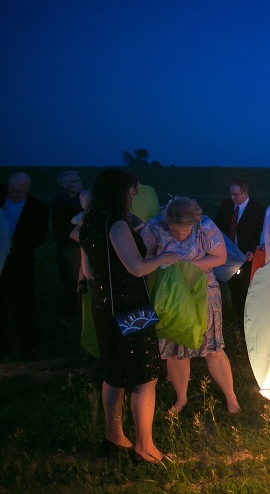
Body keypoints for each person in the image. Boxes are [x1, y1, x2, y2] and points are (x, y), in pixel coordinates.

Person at [79, 168, 179, 463]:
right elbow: (136, 268)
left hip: (103, 304)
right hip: (131, 307)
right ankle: (144, 447)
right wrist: (162, 258)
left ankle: (114, 437)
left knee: (113, 371)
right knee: (145, 375)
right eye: (132, 190)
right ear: (120, 191)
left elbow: (89, 271)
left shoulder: (88, 223)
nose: (134, 195)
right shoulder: (116, 224)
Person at [142, 196, 240, 415]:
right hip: (170, 296)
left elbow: (220, 256)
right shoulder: (155, 227)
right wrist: (160, 263)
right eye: (174, 230)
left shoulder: (205, 226)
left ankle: (231, 397)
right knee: (177, 349)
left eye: (184, 231)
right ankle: (181, 398)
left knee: (213, 348)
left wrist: (186, 266)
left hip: (202, 293)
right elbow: (145, 256)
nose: (179, 235)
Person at [0, 172, 49, 359]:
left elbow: (40, 237)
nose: (13, 193)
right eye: (11, 189)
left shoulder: (38, 208)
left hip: (20, 262)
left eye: (18, 191)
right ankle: (3, 344)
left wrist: (15, 243)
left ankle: (29, 346)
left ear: (27, 190)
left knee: (23, 303)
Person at [213, 179, 265, 323]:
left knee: (245, 289)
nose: (232, 197)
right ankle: (237, 316)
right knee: (233, 287)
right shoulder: (226, 205)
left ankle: (248, 319)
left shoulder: (257, 209)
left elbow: (259, 233)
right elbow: (216, 225)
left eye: (236, 194)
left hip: (246, 256)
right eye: (231, 194)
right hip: (229, 254)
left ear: (245, 193)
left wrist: (252, 250)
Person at [51, 170, 85, 318]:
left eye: (79, 180)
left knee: (80, 281)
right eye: (76, 182)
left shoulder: (80, 199)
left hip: (79, 246)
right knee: (71, 280)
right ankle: (73, 311)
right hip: (70, 247)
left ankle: (78, 310)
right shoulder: (62, 202)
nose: (80, 183)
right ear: (66, 186)